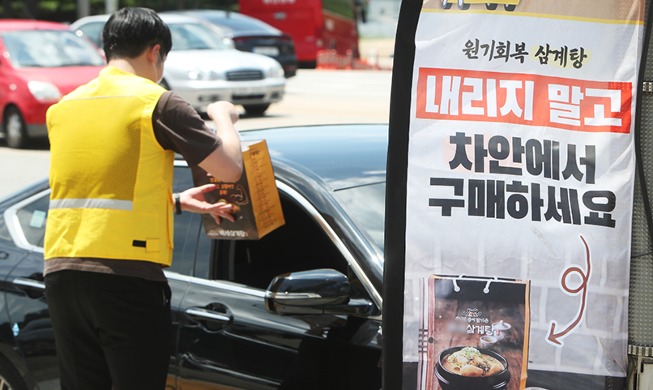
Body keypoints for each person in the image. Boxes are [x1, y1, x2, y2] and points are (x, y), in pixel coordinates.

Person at [43, 7, 243, 390]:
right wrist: (222, 118)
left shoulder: (65, 107)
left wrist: (178, 202)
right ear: (155, 52)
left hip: (62, 275)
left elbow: (96, 189)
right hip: (126, 281)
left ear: (107, 51)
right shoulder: (157, 101)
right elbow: (230, 168)